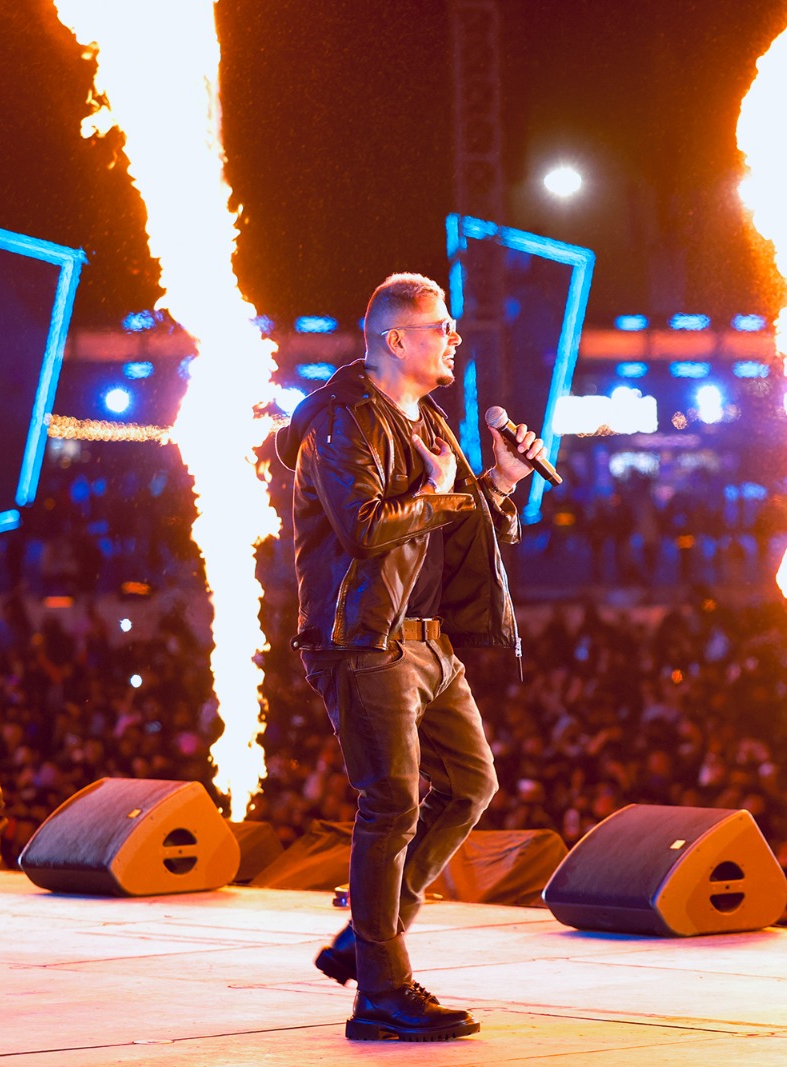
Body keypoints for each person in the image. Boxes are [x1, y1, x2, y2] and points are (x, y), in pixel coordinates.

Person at [274, 272, 546, 1042]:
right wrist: (436, 489)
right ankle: (382, 993)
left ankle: (370, 938)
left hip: (427, 640)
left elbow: (457, 528)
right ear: (397, 339)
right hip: (363, 639)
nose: (454, 337)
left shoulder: (427, 419)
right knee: (391, 803)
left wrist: (499, 482)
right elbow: (363, 529)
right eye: (440, 326)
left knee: (471, 783)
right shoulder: (341, 422)